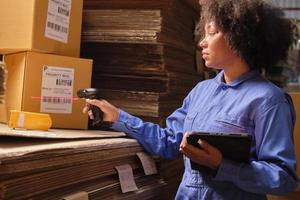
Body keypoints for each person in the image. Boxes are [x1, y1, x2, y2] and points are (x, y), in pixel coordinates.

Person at [83, 0, 299, 199]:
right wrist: (118, 117)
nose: (202, 43)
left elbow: (283, 178)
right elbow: (168, 142)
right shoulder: (201, 91)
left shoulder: (269, 100)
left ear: (239, 36)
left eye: (211, 33)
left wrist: (221, 165)